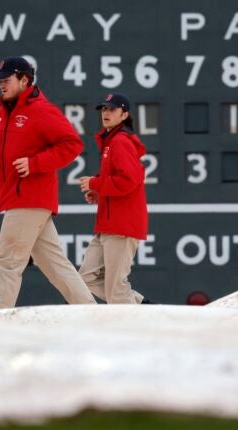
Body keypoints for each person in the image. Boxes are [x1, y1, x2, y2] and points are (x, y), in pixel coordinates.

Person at [0, 56, 97, 310]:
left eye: (6, 80)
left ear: (24, 79)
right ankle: (91, 311)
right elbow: (0, 155)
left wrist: (35, 163)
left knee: (7, 262)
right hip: (17, 196)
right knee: (53, 263)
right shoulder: (0, 114)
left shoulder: (41, 110)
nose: (1, 85)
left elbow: (73, 144)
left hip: (29, 197)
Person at [78, 93, 149, 304]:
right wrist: (99, 192)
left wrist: (94, 183)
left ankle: (141, 321)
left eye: (112, 109)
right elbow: (120, 180)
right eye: (104, 109)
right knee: (85, 277)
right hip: (109, 225)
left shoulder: (120, 141)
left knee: (116, 290)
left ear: (124, 114)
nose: (106, 113)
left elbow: (128, 180)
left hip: (122, 225)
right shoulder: (111, 141)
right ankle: (140, 306)